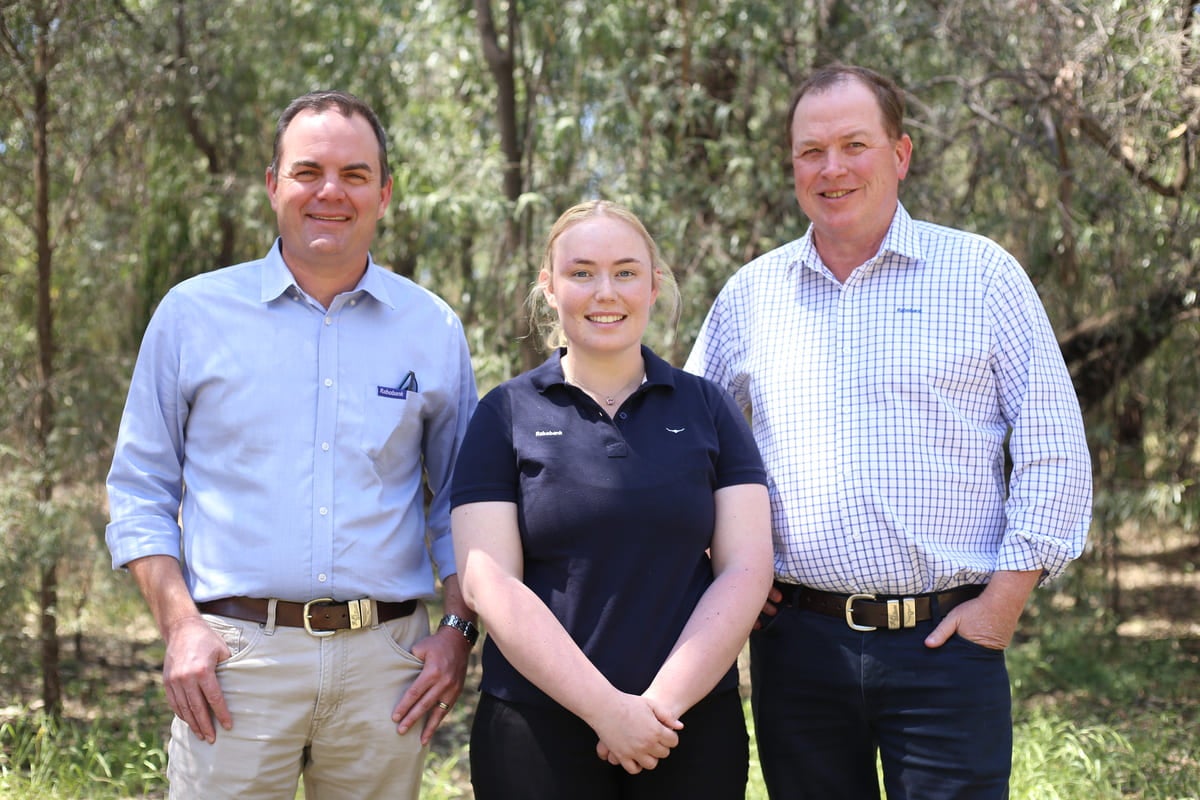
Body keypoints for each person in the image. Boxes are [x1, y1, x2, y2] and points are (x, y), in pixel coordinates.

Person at [685, 64, 1093, 799]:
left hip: (947, 647)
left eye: (854, 144)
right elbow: (685, 447)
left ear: (899, 154)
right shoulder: (753, 295)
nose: (832, 168)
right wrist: (729, 562)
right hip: (796, 648)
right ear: (792, 166)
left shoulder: (981, 276)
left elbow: (1054, 450)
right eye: (811, 151)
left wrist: (1001, 608)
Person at [105, 90, 479, 800]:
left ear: (384, 192)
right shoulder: (193, 315)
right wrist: (181, 627)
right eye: (308, 171)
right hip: (234, 664)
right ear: (273, 185)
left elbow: (461, 500)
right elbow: (139, 490)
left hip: (386, 668)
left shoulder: (432, 328)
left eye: (355, 174)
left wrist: (459, 630)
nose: (330, 192)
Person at [450, 200, 774, 799]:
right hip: (534, 733)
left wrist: (655, 710)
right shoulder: (505, 413)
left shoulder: (707, 408)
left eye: (626, 272)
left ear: (654, 285)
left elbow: (747, 567)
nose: (606, 292)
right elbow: (488, 582)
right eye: (582, 273)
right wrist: (607, 711)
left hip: (686, 728)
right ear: (549, 288)